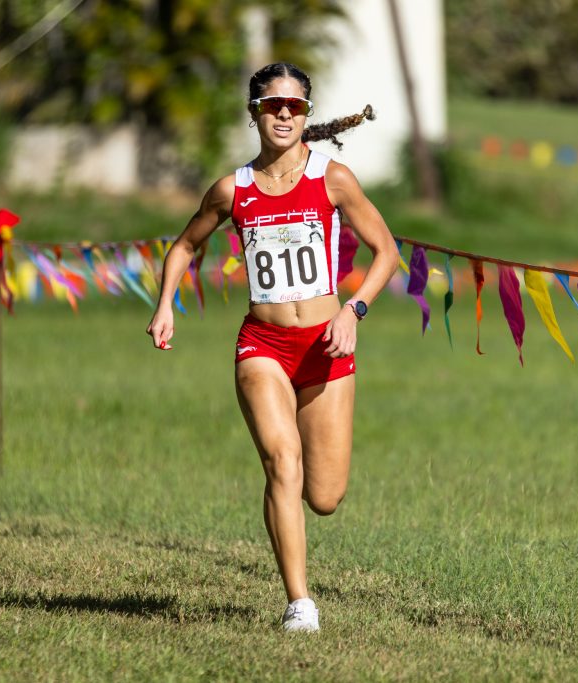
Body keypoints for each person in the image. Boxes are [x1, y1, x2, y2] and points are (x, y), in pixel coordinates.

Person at [146, 62, 398, 632]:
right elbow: (184, 246)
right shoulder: (231, 190)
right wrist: (165, 305)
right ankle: (299, 603)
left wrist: (354, 310)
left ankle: (297, 535)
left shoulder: (333, 179)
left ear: (306, 114)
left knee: (325, 496)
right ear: (253, 112)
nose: (284, 114)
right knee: (283, 462)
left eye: (295, 106)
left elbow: (386, 251)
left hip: (326, 347)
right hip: (262, 345)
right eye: (272, 105)